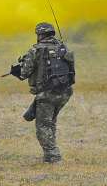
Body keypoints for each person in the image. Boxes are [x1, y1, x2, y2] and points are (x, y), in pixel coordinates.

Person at [15, 22, 75, 163]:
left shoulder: (36, 50)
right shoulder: (63, 48)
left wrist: (16, 69)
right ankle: (50, 154)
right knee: (50, 123)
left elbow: (24, 73)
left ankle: (53, 157)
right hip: (65, 92)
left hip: (47, 94)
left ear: (40, 35)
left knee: (43, 126)